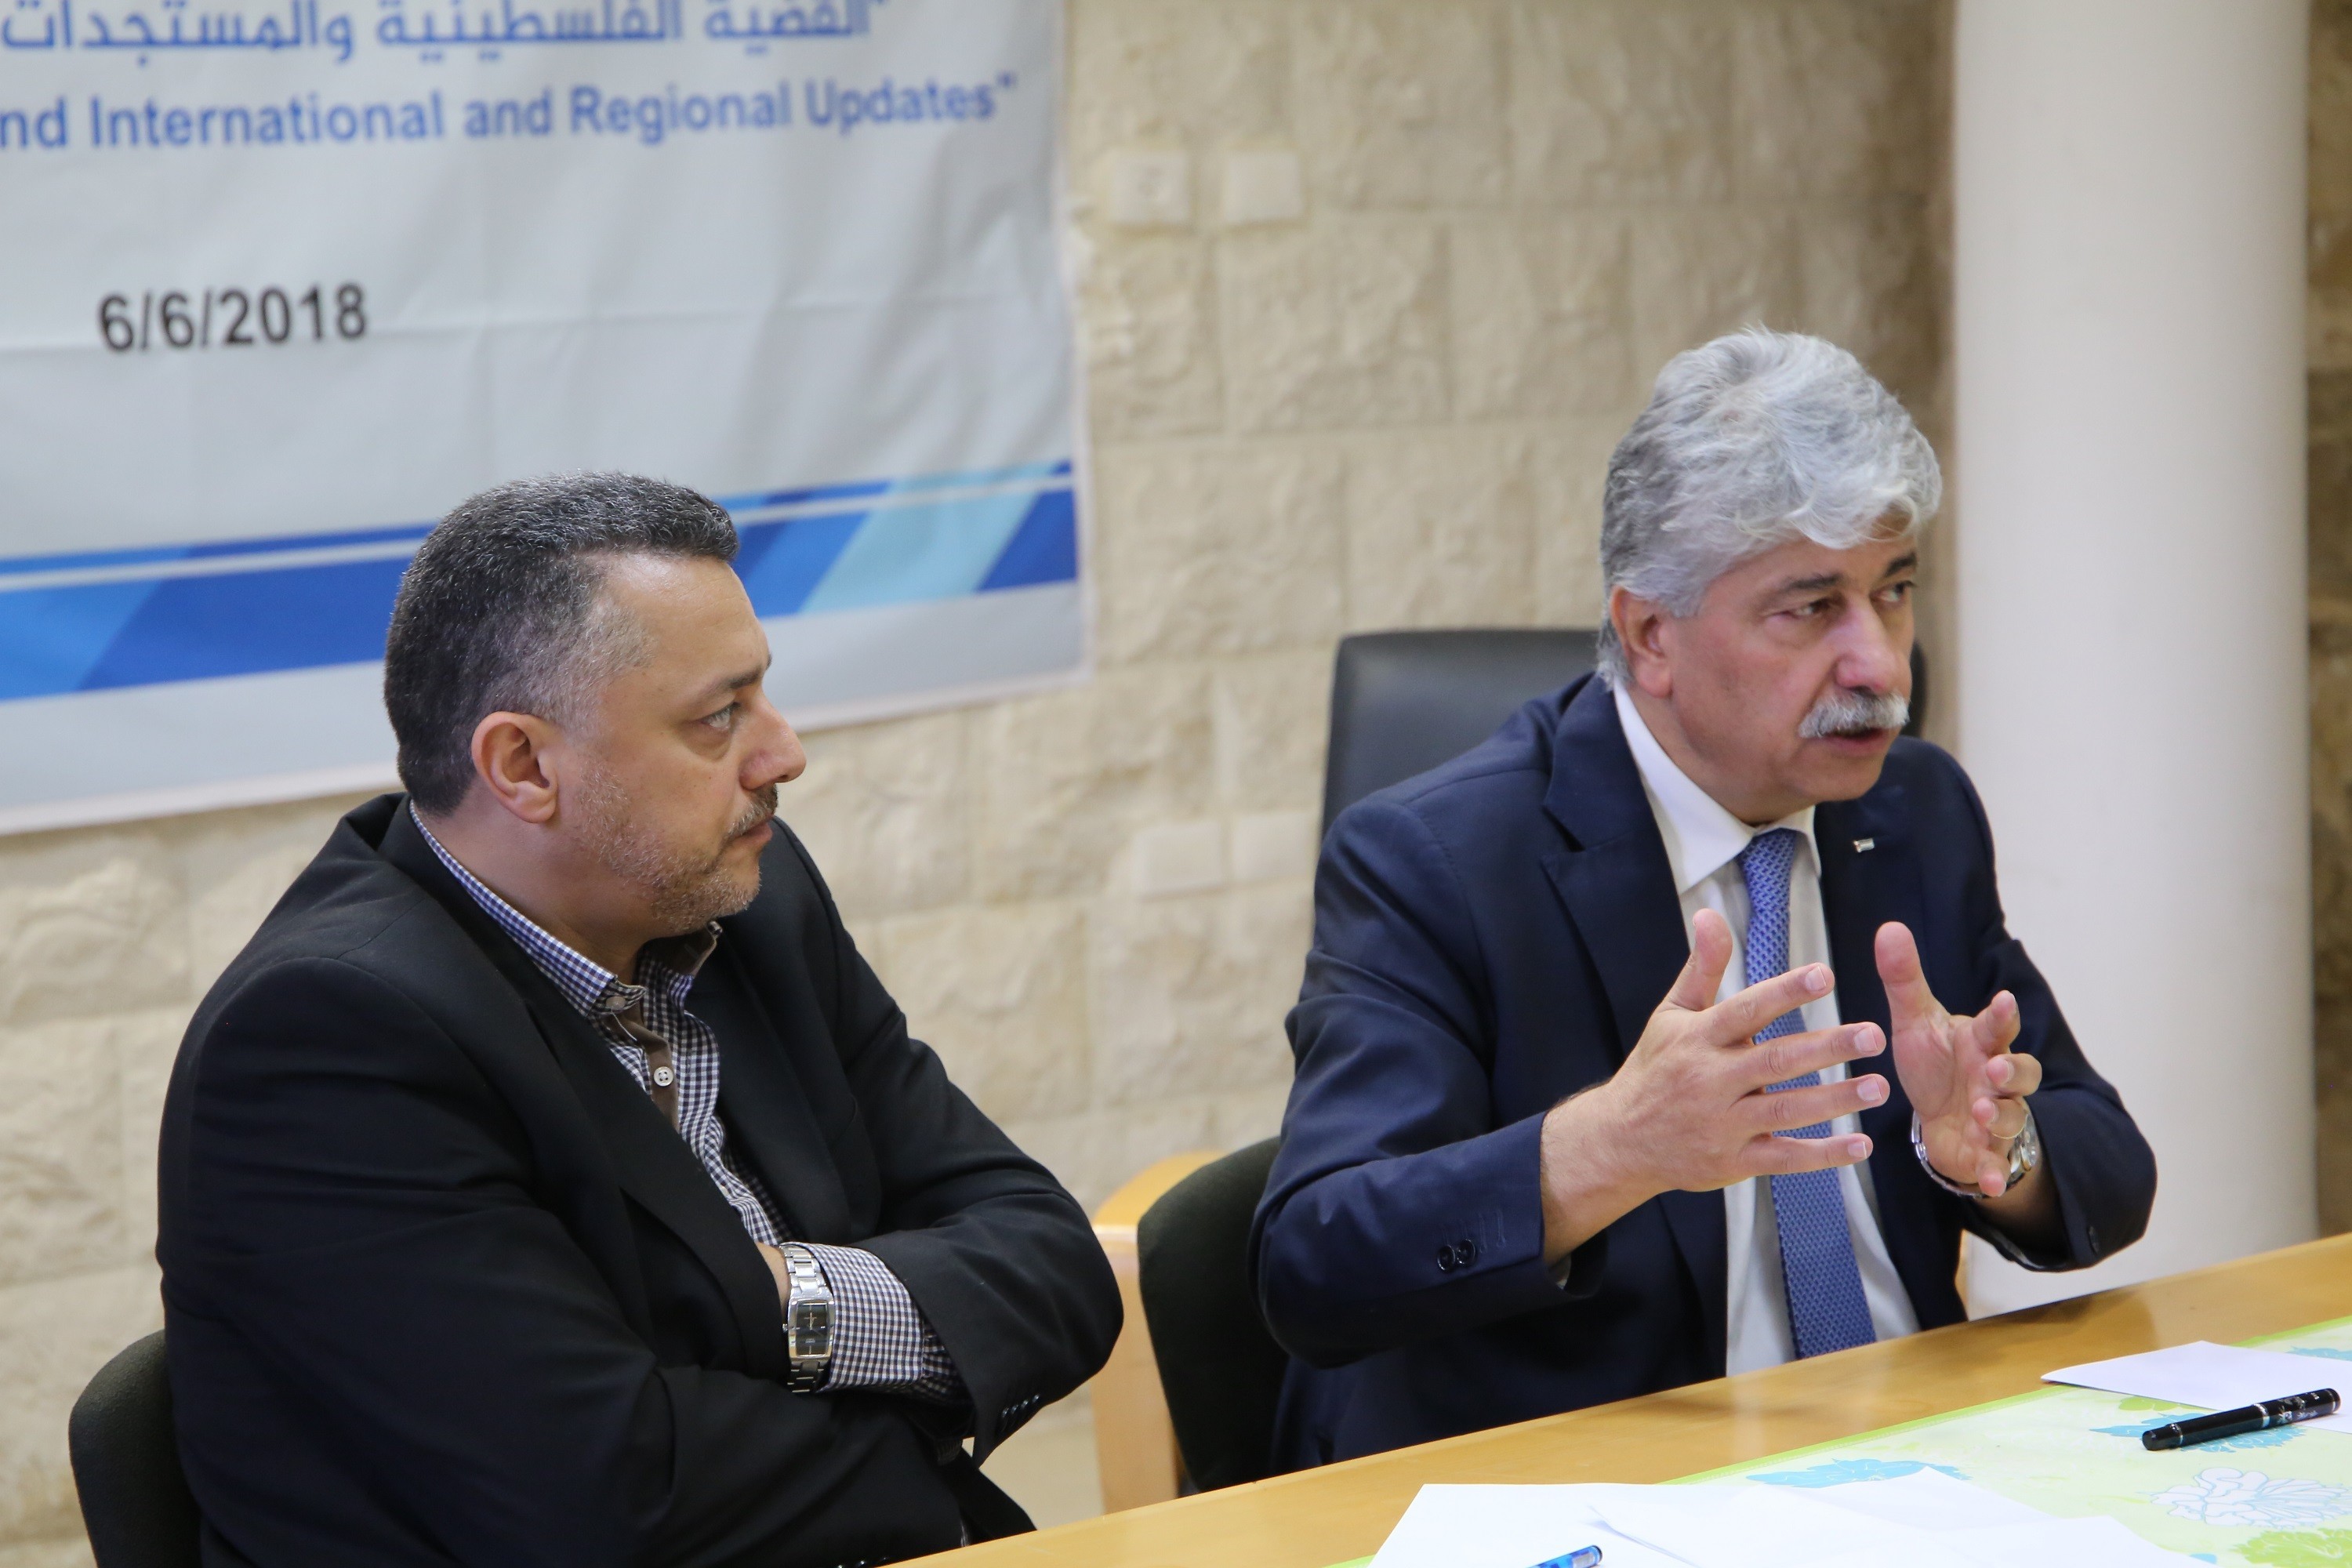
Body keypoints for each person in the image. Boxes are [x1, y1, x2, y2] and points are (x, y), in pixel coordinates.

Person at [158, 474, 1120, 1566]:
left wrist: (784, 1306)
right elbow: (608, 1500)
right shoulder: (327, 1041)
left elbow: (1052, 1264)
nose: (783, 753)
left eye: (763, 696)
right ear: (524, 767)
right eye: (720, 717)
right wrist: (918, 1403)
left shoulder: (748, 900)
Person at [1250, 328, 2158, 1468]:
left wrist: (1992, 1149)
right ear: (1650, 636)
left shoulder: (1914, 810)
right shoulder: (1434, 861)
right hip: (1603, 1487)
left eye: (1894, 592)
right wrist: (1613, 1148)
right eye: (1811, 608)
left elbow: (2110, 1170)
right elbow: (1317, 1260)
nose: (1881, 665)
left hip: (1910, 1460)